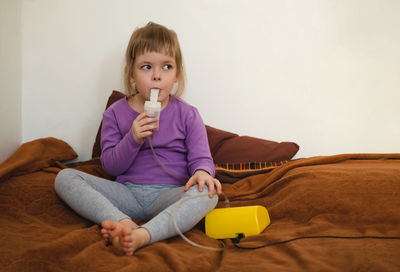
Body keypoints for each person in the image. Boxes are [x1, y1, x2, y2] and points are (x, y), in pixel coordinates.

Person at [54, 22, 222, 256]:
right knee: (65, 177)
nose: (156, 76)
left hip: (170, 195)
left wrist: (203, 172)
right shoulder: (115, 113)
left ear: (176, 75)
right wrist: (132, 138)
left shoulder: (188, 114)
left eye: (166, 67)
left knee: (208, 194)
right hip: (128, 193)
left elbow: (201, 157)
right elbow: (110, 166)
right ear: (131, 75)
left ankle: (144, 235)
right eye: (146, 67)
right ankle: (124, 223)